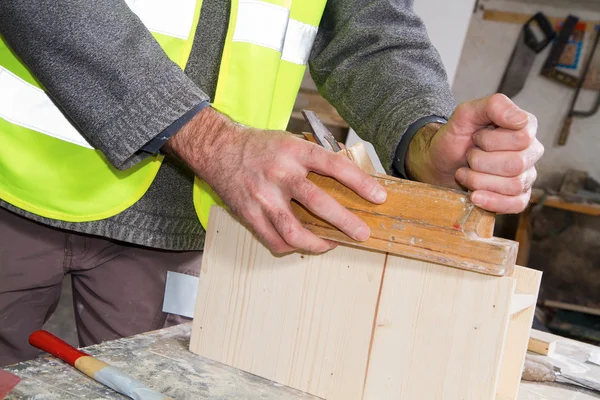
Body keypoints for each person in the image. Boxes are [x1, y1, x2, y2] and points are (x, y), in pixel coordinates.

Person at [0, 0, 543, 366]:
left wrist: (422, 137)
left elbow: (370, 28)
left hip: (199, 218)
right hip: (12, 177)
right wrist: (212, 141)